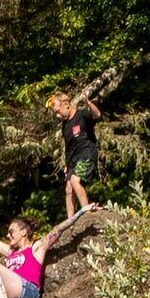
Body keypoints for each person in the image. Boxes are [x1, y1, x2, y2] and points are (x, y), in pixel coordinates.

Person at [48, 83, 104, 214]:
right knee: (68, 189)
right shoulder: (65, 125)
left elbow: (97, 115)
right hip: (73, 159)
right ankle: (70, 221)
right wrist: (67, 165)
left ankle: (87, 211)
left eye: (57, 112)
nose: (57, 116)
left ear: (66, 104)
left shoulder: (82, 115)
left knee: (75, 180)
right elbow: (68, 146)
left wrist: (88, 103)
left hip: (86, 154)